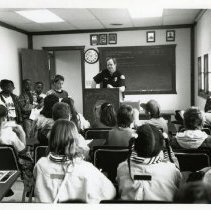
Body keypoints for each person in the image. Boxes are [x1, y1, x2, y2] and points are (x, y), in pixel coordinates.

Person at [33, 119, 116, 203]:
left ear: (51, 139)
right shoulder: (86, 168)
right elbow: (109, 192)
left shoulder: (41, 165)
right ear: (75, 140)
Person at [117, 124, 182, 201]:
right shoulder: (171, 169)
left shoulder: (122, 167)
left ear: (135, 145)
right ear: (161, 145)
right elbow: (179, 187)